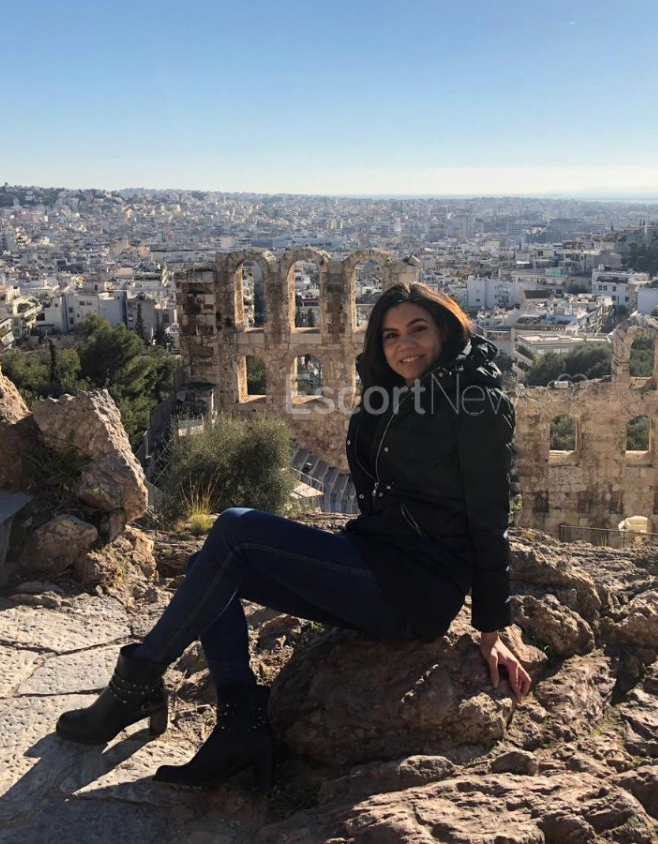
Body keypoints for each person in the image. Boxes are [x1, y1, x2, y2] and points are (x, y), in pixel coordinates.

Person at [56, 282, 531, 788]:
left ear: (446, 330)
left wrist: (491, 630)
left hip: (415, 589)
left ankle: (136, 684)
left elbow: (490, 519)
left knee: (236, 528)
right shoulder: (394, 391)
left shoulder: (476, 401)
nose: (404, 345)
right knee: (207, 569)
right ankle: (240, 724)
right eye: (390, 335)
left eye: (418, 329)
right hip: (376, 560)